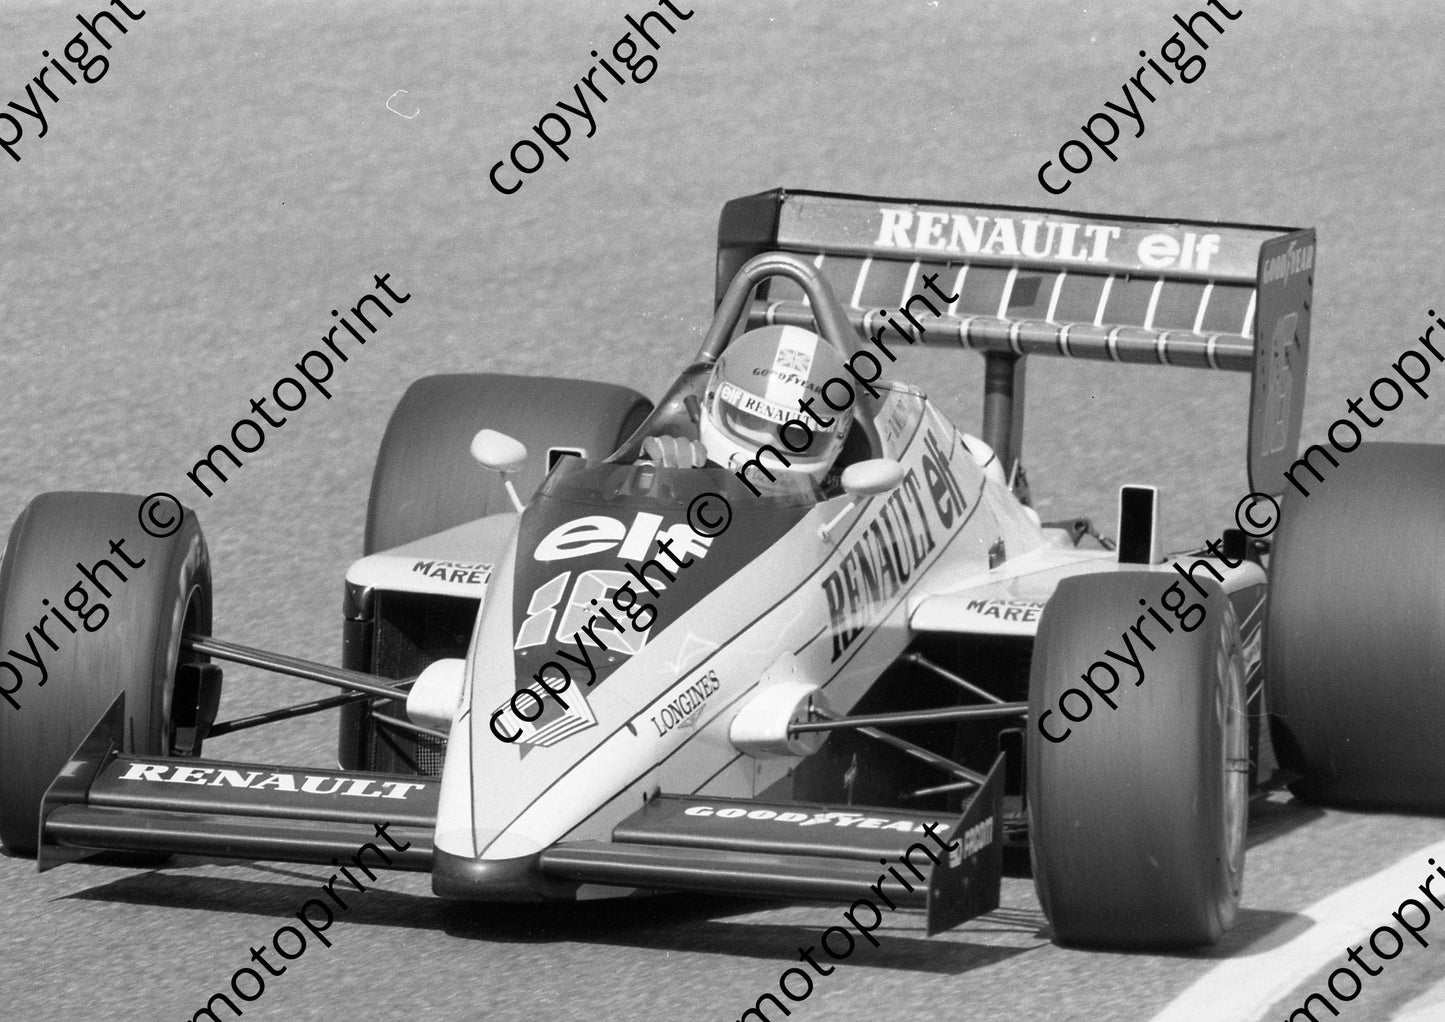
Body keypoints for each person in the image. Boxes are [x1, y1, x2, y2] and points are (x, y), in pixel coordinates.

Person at [642, 325, 853, 493]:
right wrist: (645, 482)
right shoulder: (677, 470)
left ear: (837, 438)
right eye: (752, 420)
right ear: (713, 401)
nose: (768, 442)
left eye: (795, 434)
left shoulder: (845, 504)